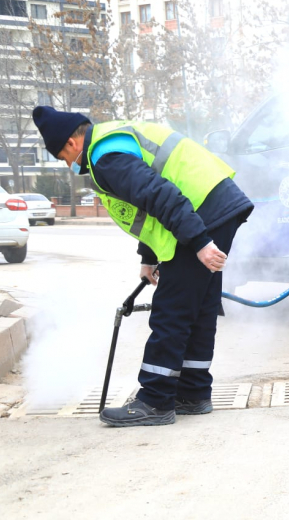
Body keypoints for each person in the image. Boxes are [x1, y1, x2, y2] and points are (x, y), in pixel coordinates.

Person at [32, 107, 253, 427]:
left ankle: (155, 400)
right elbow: (148, 206)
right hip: (214, 204)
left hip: (201, 212)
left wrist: (200, 242)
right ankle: (193, 393)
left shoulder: (106, 156)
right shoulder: (112, 141)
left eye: (63, 158)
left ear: (70, 143)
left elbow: (159, 194)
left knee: (172, 309)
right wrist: (148, 257)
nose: (69, 165)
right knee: (199, 306)